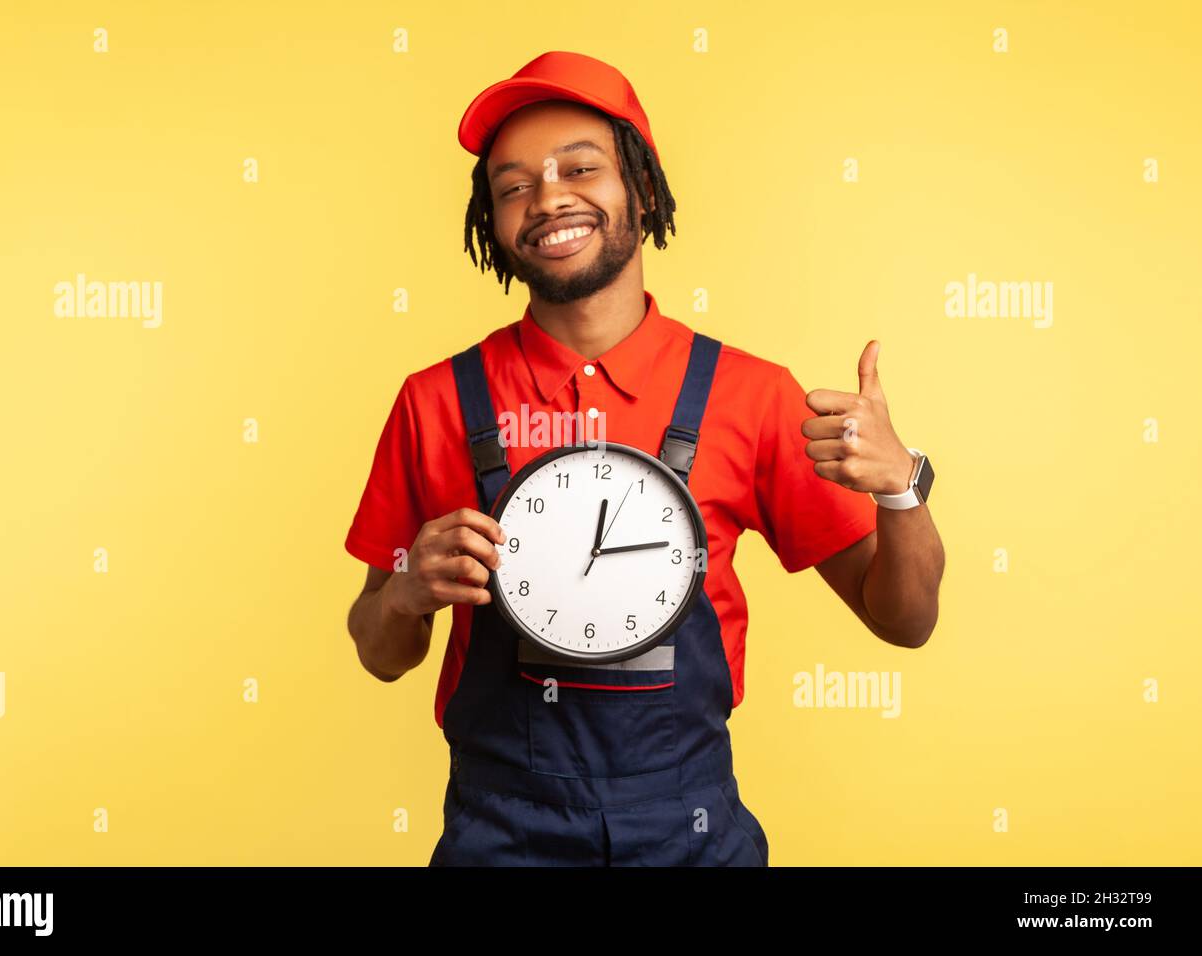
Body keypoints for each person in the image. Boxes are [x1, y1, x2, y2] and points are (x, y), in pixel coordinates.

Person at [345, 51, 945, 866]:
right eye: (514, 185)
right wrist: (408, 593)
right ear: (492, 221)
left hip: (690, 831)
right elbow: (381, 654)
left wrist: (903, 489)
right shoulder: (435, 401)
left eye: (581, 169)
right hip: (498, 834)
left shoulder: (754, 395)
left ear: (644, 189)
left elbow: (903, 621)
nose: (548, 197)